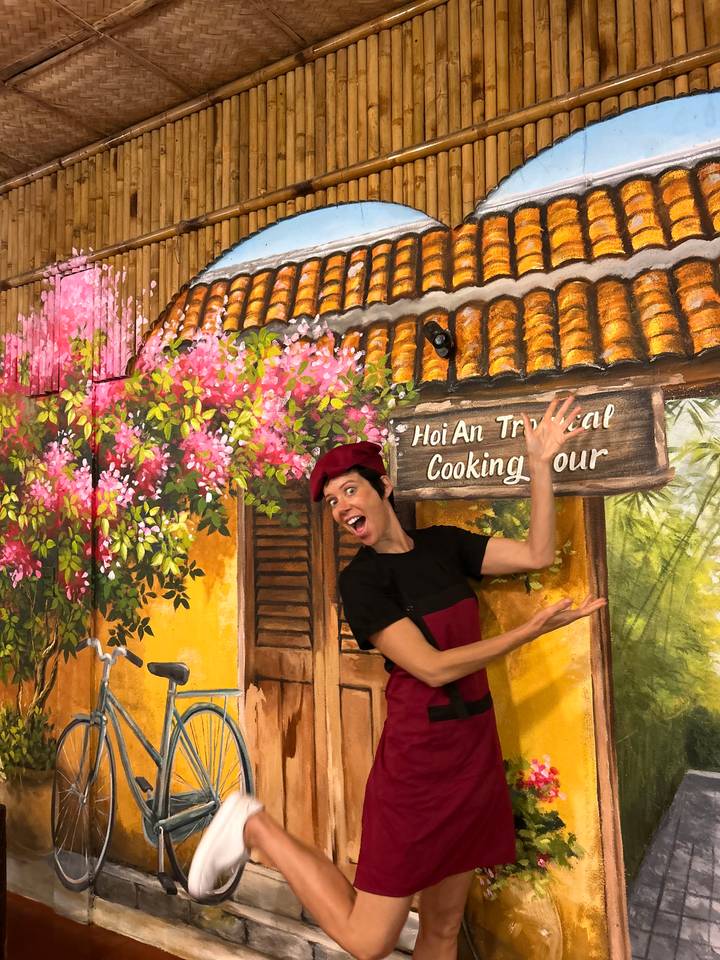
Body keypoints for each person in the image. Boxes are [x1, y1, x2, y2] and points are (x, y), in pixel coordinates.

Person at [188, 396, 606, 960]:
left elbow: (536, 553)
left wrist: (539, 465)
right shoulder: (361, 583)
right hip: (417, 763)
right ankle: (254, 825)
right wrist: (527, 633)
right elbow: (431, 667)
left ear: (383, 487)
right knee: (370, 940)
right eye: (332, 502)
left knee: (443, 927)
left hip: (473, 752)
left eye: (350, 490)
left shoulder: (444, 546)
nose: (341, 507)